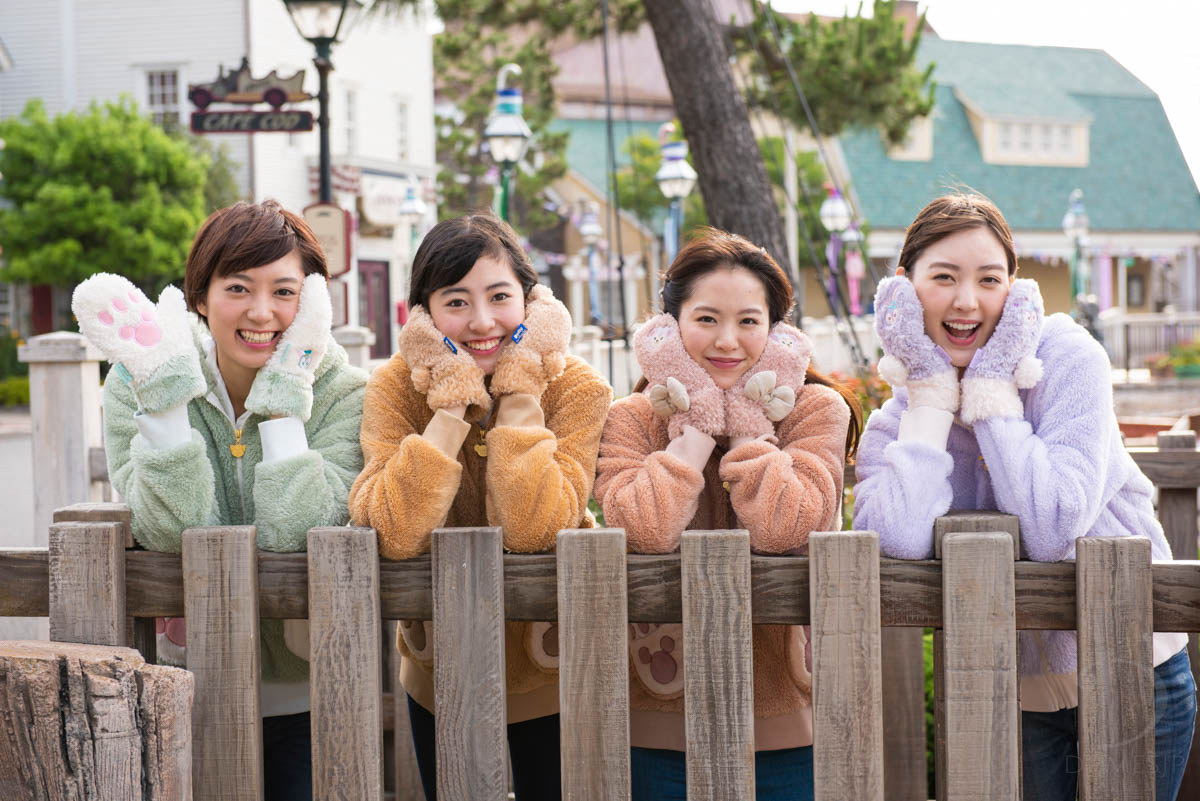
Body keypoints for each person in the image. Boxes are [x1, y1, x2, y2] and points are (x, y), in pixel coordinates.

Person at [853, 192, 1196, 801]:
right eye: (944, 277)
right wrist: (931, 400)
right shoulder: (899, 418)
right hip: (1019, 697)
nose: (967, 301)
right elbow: (897, 539)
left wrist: (991, 391)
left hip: (1134, 673)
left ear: (1015, 291)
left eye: (989, 280)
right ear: (903, 289)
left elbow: (1053, 524)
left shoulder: (1069, 360)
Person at [72, 199, 367, 801]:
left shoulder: (346, 393)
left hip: (313, 692)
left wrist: (285, 398)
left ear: (313, 301)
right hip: (179, 685)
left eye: (285, 292)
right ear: (200, 298)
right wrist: (166, 402)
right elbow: (165, 529)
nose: (262, 312)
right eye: (238, 287)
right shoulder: (140, 377)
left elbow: (300, 531)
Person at [347, 213, 611, 801]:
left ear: (532, 301)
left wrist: (519, 390)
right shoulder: (394, 387)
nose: (483, 322)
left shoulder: (578, 388)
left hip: (558, 666)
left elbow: (533, 528)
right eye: (456, 302)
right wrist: (449, 408)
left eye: (499, 297)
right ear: (423, 314)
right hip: (439, 668)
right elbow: (393, 530)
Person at [594, 228, 861, 801]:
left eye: (748, 321)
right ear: (670, 328)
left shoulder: (816, 410)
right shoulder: (631, 419)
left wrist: (745, 424)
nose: (727, 340)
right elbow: (642, 528)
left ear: (778, 333)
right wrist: (693, 432)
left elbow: (786, 525)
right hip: (659, 716)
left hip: (788, 716)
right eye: (707, 319)